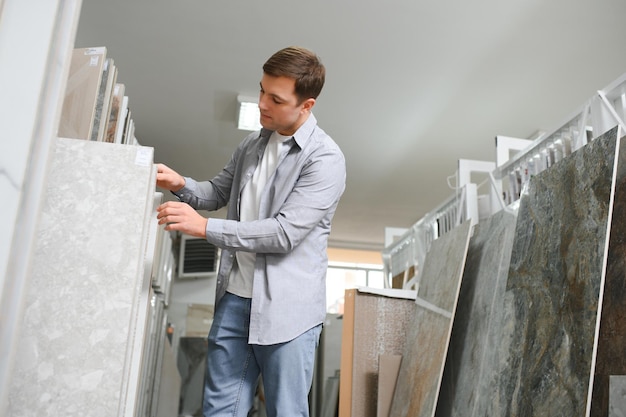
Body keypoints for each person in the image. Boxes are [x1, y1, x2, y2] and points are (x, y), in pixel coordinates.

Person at [155, 46, 346, 417]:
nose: (262, 104)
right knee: (218, 410)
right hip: (234, 302)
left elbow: (283, 234)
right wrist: (181, 183)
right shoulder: (253, 144)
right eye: (261, 90)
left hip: (288, 312)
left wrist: (206, 228)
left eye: (275, 98)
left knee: (286, 411)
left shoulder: (325, 159)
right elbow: (217, 192)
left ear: (306, 106)